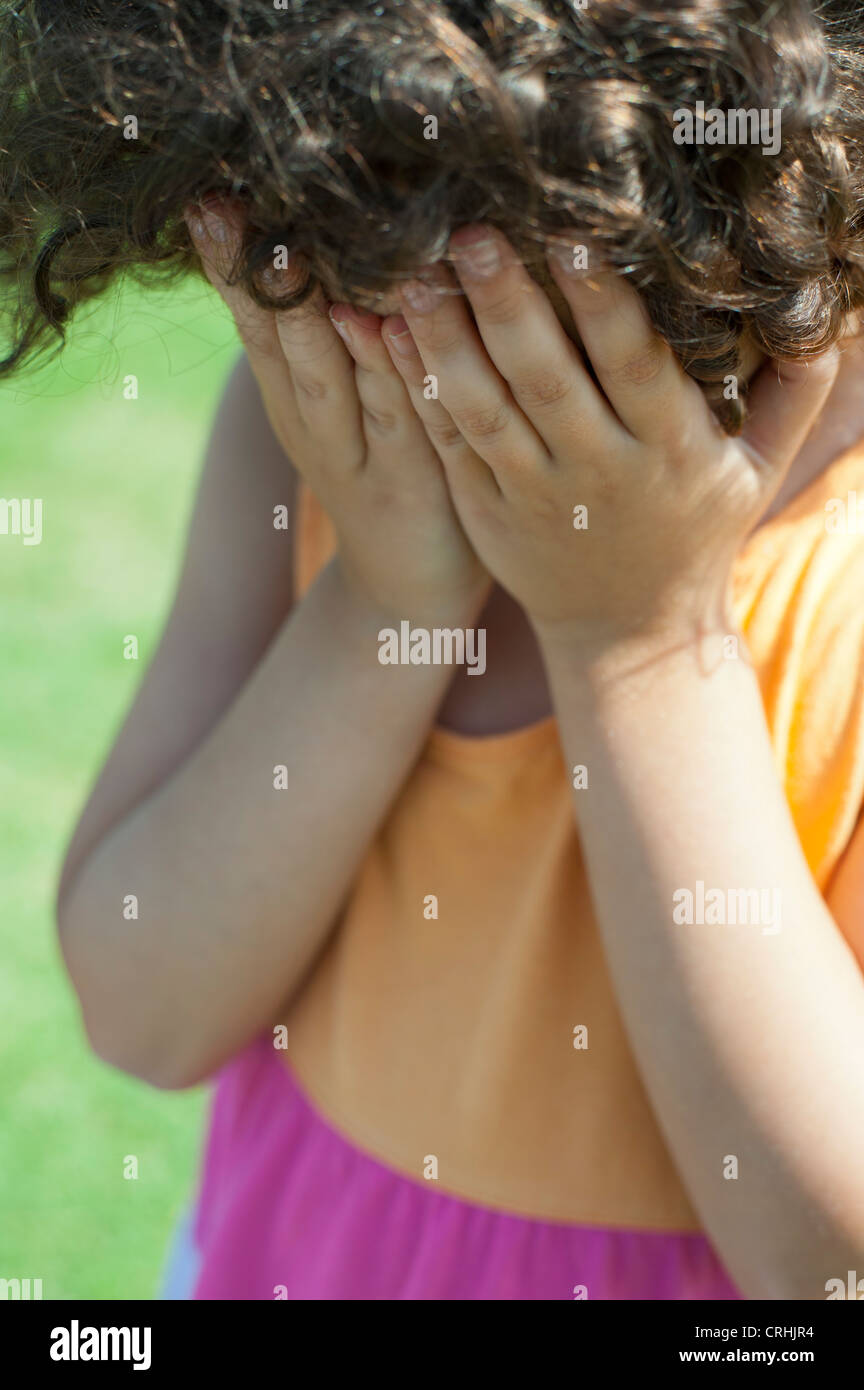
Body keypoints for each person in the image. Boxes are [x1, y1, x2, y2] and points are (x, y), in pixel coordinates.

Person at [4, 0, 864, 1299]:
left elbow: (826, 1262)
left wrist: (634, 641)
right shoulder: (316, 430)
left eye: (496, 264)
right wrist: (386, 594)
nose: (428, 333)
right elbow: (141, 1005)